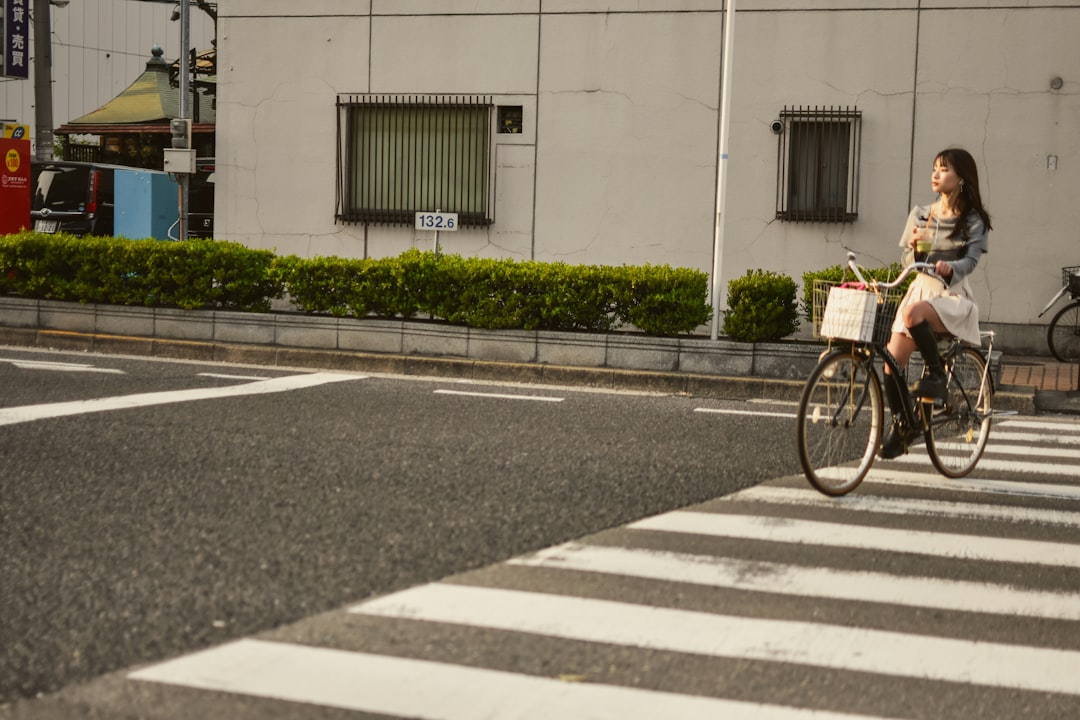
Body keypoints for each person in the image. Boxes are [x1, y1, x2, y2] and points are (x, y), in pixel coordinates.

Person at [880, 148, 992, 459]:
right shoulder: (921, 213)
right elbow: (908, 259)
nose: (936, 174)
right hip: (920, 290)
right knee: (890, 365)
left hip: (951, 295)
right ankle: (903, 425)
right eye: (934, 168)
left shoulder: (973, 219)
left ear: (961, 178)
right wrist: (917, 252)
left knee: (913, 313)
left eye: (944, 169)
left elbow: (970, 262)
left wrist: (950, 267)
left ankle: (937, 377)